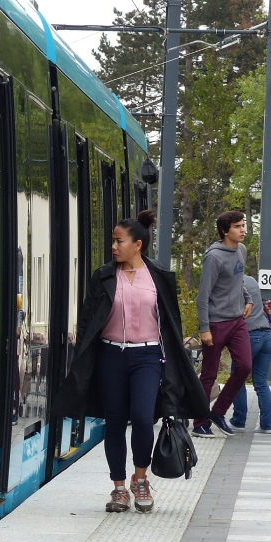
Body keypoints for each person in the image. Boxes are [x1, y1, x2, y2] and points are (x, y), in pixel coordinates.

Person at [52, 211, 210, 514]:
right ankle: (119, 488)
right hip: (111, 356)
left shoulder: (159, 277)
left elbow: (170, 323)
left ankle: (141, 480)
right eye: (113, 241)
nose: (113, 246)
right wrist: (82, 355)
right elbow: (88, 321)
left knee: (141, 417)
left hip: (148, 357)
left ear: (137, 244)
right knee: (114, 422)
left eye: (118, 240)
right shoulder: (104, 276)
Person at [192, 211, 253, 438]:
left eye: (243, 225)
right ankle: (200, 422)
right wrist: (204, 328)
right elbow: (203, 296)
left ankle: (218, 412)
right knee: (209, 375)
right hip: (216, 323)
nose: (243, 229)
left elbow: (238, 281)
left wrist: (248, 299)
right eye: (237, 226)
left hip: (237, 321)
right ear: (225, 231)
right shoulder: (214, 257)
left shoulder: (242, 250)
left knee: (245, 366)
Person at [230, 272, 271, 433]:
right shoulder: (251, 280)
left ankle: (239, 420)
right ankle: (267, 425)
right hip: (266, 335)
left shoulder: (233, 281)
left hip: (249, 335)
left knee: (237, 378)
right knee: (261, 382)